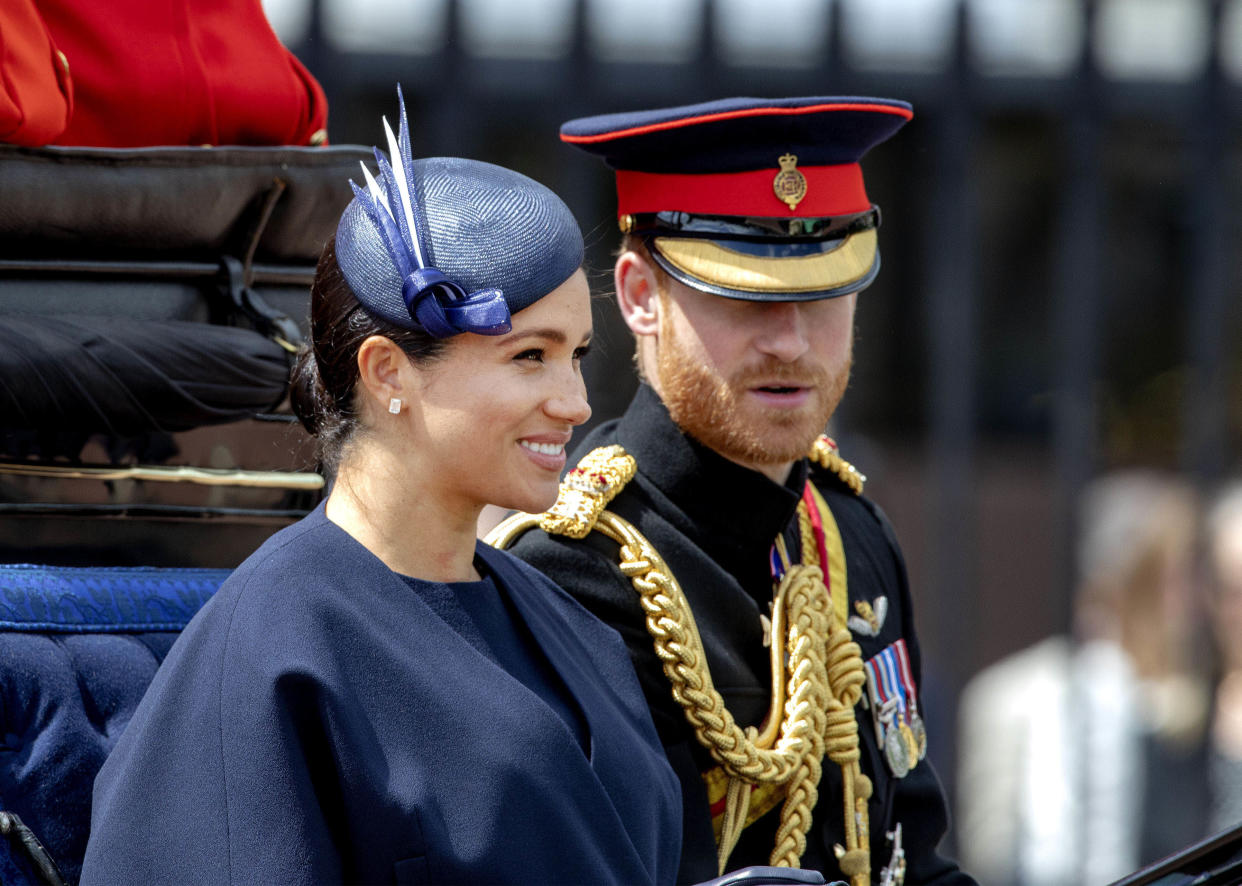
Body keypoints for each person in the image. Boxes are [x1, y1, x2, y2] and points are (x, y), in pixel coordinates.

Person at [79, 93, 682, 885]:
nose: (575, 402)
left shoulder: (568, 626)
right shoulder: (274, 648)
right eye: (530, 356)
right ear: (388, 372)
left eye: (577, 354)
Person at [496, 97, 975, 886]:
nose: (790, 341)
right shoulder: (572, 570)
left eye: (821, 296)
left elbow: (911, 854)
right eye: (746, 297)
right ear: (641, 296)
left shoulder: (852, 530)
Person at [957, 471, 1206, 886]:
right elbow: (988, 860)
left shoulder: (1199, 707)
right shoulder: (1011, 699)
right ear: (1121, 586)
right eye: (1174, 581)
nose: (1194, 603)